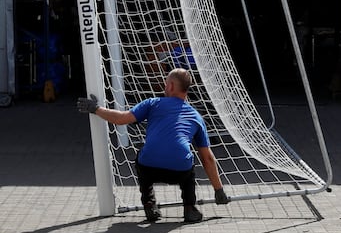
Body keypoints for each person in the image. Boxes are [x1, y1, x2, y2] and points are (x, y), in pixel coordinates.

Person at [77, 67, 229, 223]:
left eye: (165, 83)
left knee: (141, 157)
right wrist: (219, 190)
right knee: (189, 164)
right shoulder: (196, 116)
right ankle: (189, 208)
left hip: (149, 167)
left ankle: (149, 204)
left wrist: (95, 109)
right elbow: (207, 158)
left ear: (170, 86)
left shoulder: (153, 103)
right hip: (179, 171)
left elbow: (121, 119)